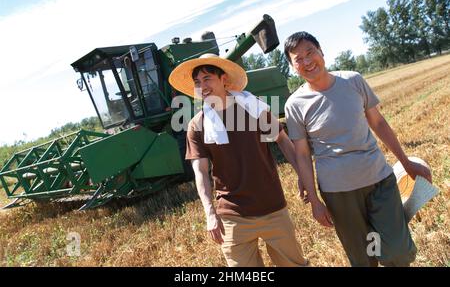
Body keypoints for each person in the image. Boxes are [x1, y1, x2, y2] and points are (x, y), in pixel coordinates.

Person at [283, 31, 432, 267]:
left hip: (378, 179)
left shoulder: (353, 80)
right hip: (339, 193)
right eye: (298, 58)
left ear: (321, 51)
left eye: (310, 52)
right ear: (293, 67)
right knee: (364, 258)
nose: (307, 61)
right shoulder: (295, 104)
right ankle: (385, 228)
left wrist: (405, 162)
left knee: (398, 253)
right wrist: (314, 200)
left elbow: (378, 122)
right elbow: (302, 154)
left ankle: (393, 221)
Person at [168, 53, 308, 267]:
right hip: (232, 217)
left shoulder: (254, 108)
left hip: (273, 208)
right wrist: (209, 213)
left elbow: (282, 140)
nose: (202, 86)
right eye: (197, 82)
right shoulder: (197, 126)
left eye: (207, 79)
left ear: (224, 79)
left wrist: (303, 176)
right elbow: (200, 172)